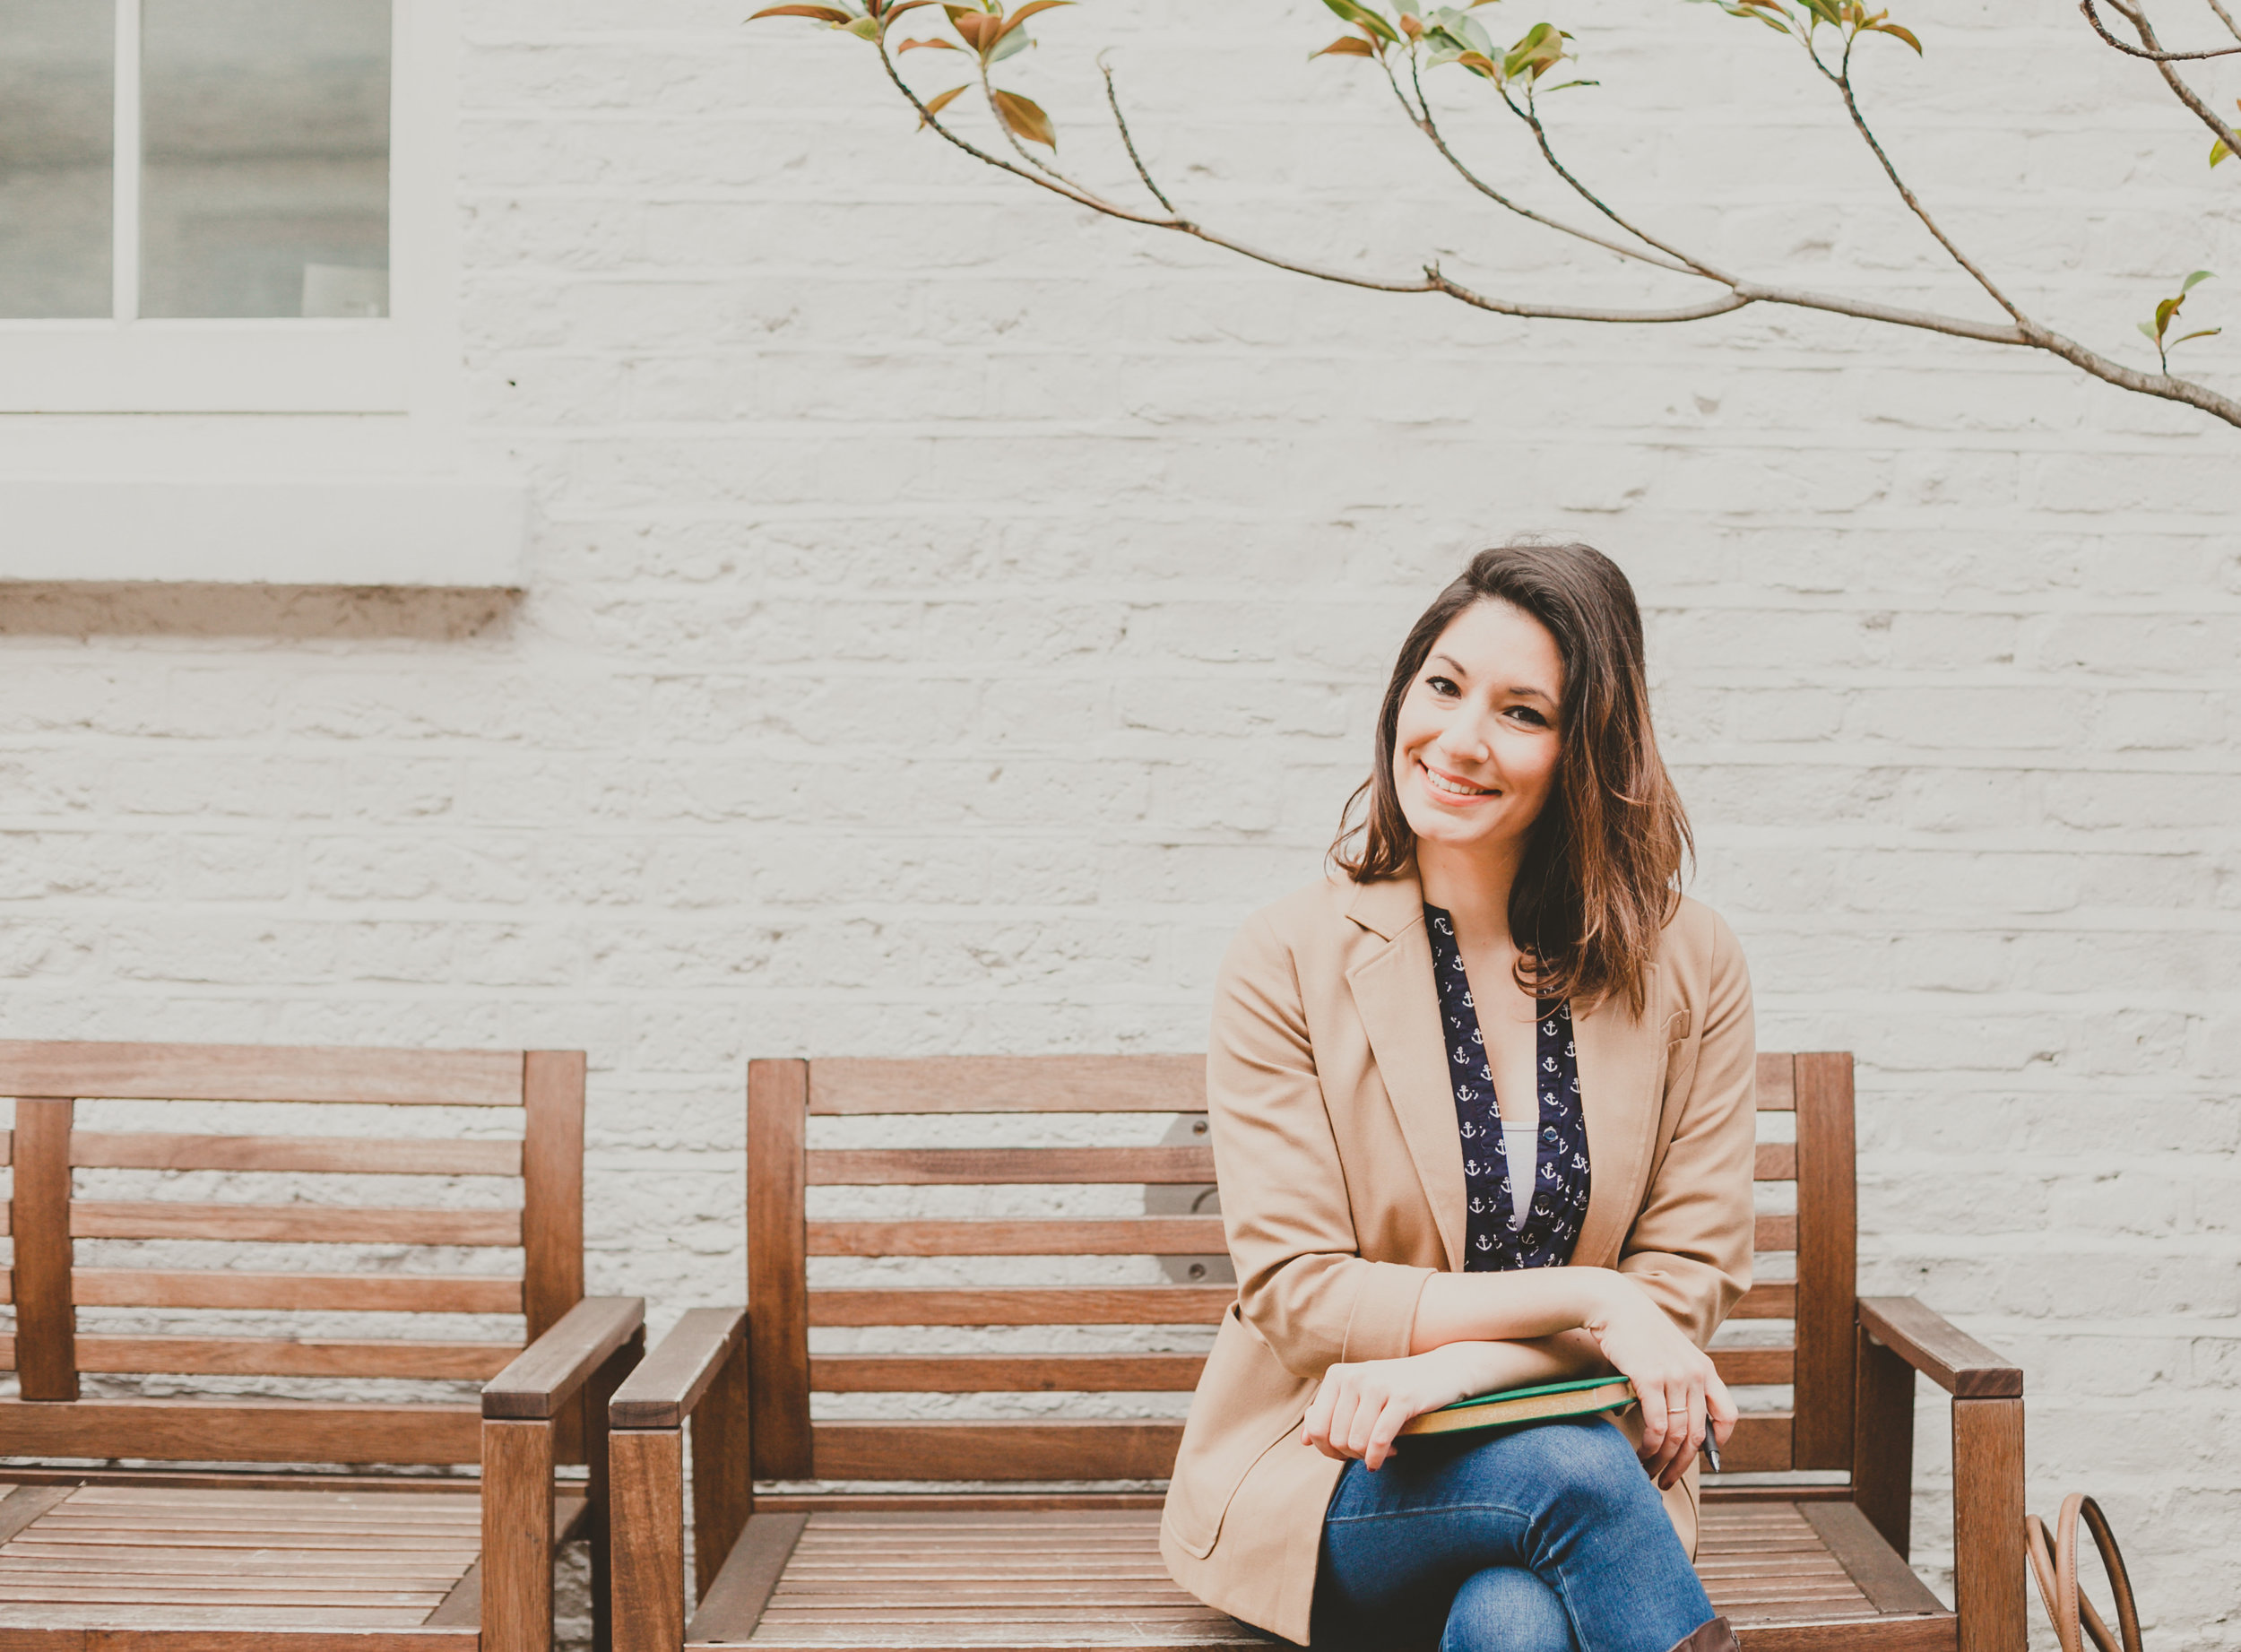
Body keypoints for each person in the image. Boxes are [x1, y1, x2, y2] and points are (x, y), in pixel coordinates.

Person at [1160, 544, 1757, 1652]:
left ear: (1587, 751)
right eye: (1443, 685)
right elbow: (1301, 1292)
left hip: (1573, 1461)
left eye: (1522, 712)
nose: (1460, 739)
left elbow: (1684, 1279)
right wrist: (1596, 1300)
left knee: (1514, 1626)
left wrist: (1454, 1367)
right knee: (1572, 1479)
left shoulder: (1690, 962)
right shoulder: (1289, 956)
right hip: (1336, 1465)